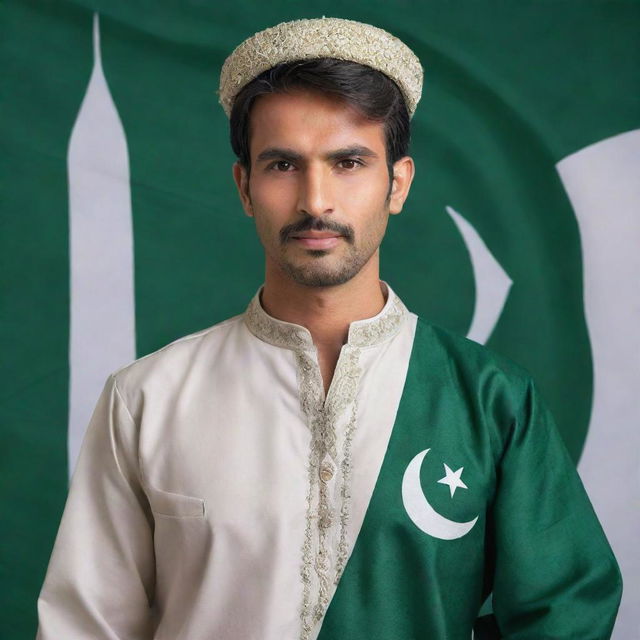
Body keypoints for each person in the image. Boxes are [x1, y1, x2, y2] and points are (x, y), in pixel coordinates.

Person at [36, 17, 622, 640]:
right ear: (245, 186)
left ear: (397, 183)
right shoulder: (145, 398)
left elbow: (566, 614)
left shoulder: (491, 400)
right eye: (284, 164)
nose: (316, 201)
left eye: (348, 162)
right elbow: (84, 627)